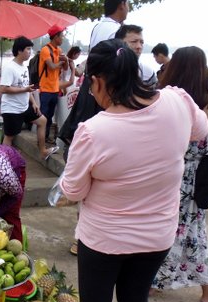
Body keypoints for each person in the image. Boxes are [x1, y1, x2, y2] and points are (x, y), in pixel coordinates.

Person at [53, 39, 208, 302]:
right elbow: (199, 131)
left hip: (105, 238)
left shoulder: (94, 131)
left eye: (90, 83)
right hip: (156, 235)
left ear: (100, 81)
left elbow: (73, 191)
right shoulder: (177, 101)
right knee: (135, 301)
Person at [59, 0, 129, 256]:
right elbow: (75, 188)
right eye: (131, 43)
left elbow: (73, 188)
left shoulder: (99, 28)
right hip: (111, 236)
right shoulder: (94, 126)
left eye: (139, 43)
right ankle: (82, 237)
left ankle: (83, 237)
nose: (137, 47)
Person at [151, 46, 208, 302]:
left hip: (168, 172)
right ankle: (206, 291)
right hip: (196, 177)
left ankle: (153, 281)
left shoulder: (163, 99)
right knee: (190, 231)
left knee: (175, 230)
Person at [0, 36, 58, 160]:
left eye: (31, 49)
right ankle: (3, 161)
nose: (30, 52)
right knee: (9, 136)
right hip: (12, 109)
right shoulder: (10, 68)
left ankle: (43, 151)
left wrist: (34, 102)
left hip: (25, 106)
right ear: (19, 51)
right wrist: (24, 90)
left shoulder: (24, 67)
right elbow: (3, 89)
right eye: (27, 49)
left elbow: (27, 87)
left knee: (42, 121)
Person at [38, 24, 68, 145]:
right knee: (44, 115)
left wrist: (65, 60)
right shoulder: (46, 50)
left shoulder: (59, 51)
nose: (63, 38)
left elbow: (64, 68)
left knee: (50, 115)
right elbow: (52, 66)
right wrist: (62, 62)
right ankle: (41, 139)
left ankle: (45, 137)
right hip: (45, 88)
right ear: (56, 37)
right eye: (61, 36)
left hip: (55, 89)